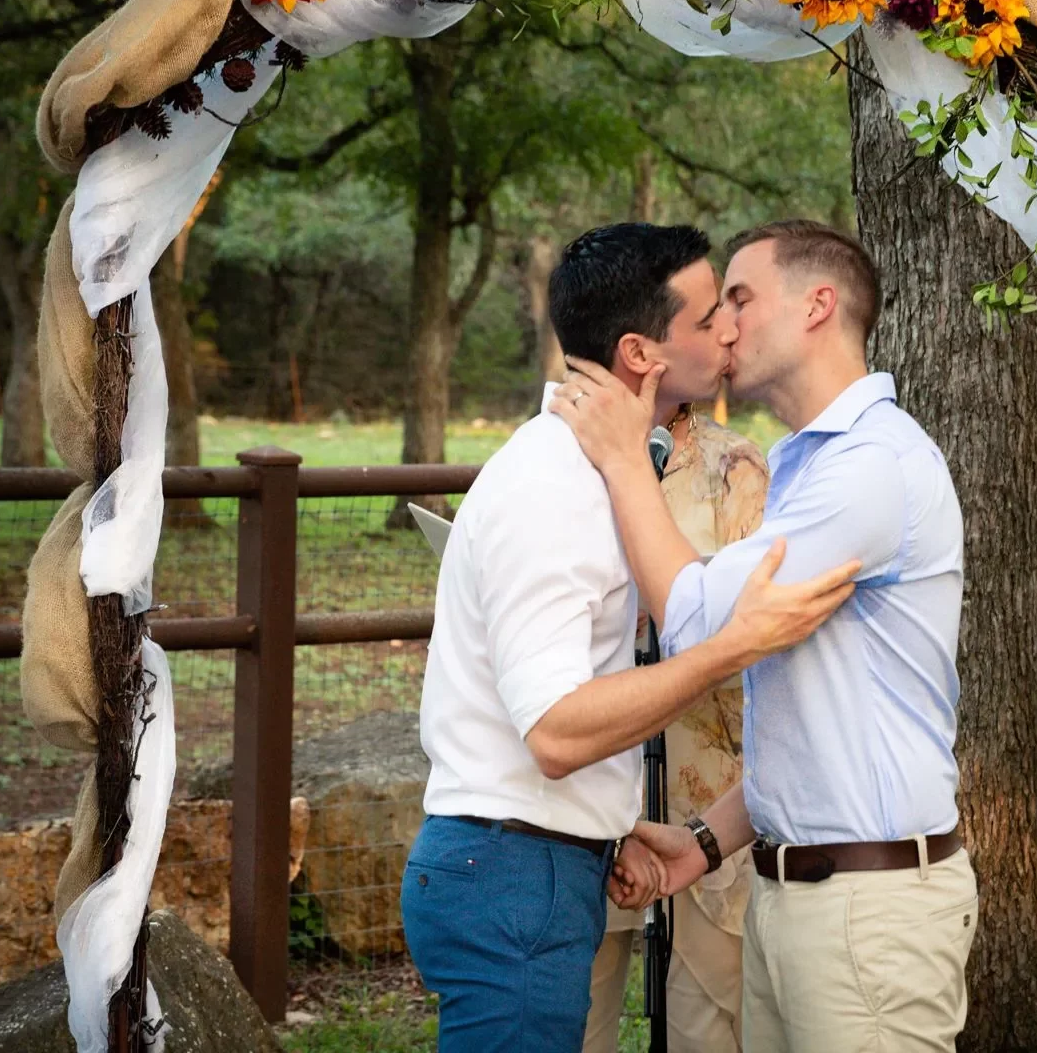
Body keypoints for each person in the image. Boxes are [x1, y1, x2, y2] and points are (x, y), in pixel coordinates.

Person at [401, 222, 861, 1053]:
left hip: (541, 865)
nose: (726, 327)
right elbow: (554, 729)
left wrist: (612, 828)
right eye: (704, 316)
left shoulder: (591, 473)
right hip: (512, 876)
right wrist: (732, 644)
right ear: (640, 354)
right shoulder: (552, 488)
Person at [553, 219, 975, 1053]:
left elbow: (704, 621)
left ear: (819, 306)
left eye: (740, 299)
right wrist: (706, 843)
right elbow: (814, 717)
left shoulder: (870, 466)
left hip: (868, 916)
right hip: (797, 898)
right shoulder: (801, 466)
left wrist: (627, 460)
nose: (725, 326)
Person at [583, 406, 768, 1053]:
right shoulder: (566, 457)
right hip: (592, 788)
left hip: (707, 797)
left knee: (705, 1025)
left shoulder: (736, 470)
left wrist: (674, 619)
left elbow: (763, 632)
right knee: (577, 1020)